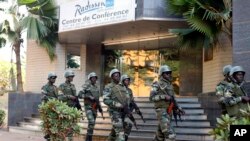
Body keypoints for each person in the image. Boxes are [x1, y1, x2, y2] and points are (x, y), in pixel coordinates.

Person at [149, 65, 184, 141]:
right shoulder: (156, 84)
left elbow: (173, 99)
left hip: (168, 111)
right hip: (161, 111)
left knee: (160, 136)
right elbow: (151, 98)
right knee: (170, 135)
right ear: (162, 74)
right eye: (166, 73)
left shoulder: (170, 85)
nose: (169, 75)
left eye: (169, 73)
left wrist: (178, 108)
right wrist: (163, 97)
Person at [103, 69, 130, 141]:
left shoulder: (122, 86)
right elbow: (105, 100)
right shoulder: (108, 87)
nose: (117, 77)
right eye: (115, 76)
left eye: (118, 75)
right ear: (112, 77)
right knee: (120, 134)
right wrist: (118, 105)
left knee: (127, 126)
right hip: (114, 112)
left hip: (123, 112)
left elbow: (127, 97)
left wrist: (127, 107)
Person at [78, 72, 103, 141]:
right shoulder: (86, 86)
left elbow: (97, 99)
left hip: (95, 108)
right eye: (93, 78)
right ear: (90, 78)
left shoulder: (96, 87)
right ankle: (88, 138)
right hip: (88, 108)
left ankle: (89, 138)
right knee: (91, 121)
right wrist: (88, 96)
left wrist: (100, 108)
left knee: (92, 124)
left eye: (95, 78)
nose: (94, 79)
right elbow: (79, 95)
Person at [58, 70, 77, 141]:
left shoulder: (73, 86)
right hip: (65, 109)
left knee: (71, 127)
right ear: (67, 77)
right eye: (71, 76)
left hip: (73, 109)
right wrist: (69, 96)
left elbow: (75, 97)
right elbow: (59, 97)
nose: (72, 78)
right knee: (64, 127)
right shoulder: (61, 86)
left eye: (73, 76)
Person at [41, 72, 58, 141]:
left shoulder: (55, 87)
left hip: (55, 108)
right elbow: (43, 97)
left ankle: (52, 136)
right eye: (53, 78)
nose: (54, 79)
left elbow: (60, 96)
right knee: (48, 124)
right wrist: (53, 99)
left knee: (54, 124)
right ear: (49, 78)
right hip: (48, 108)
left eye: (55, 78)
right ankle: (48, 137)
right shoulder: (45, 87)